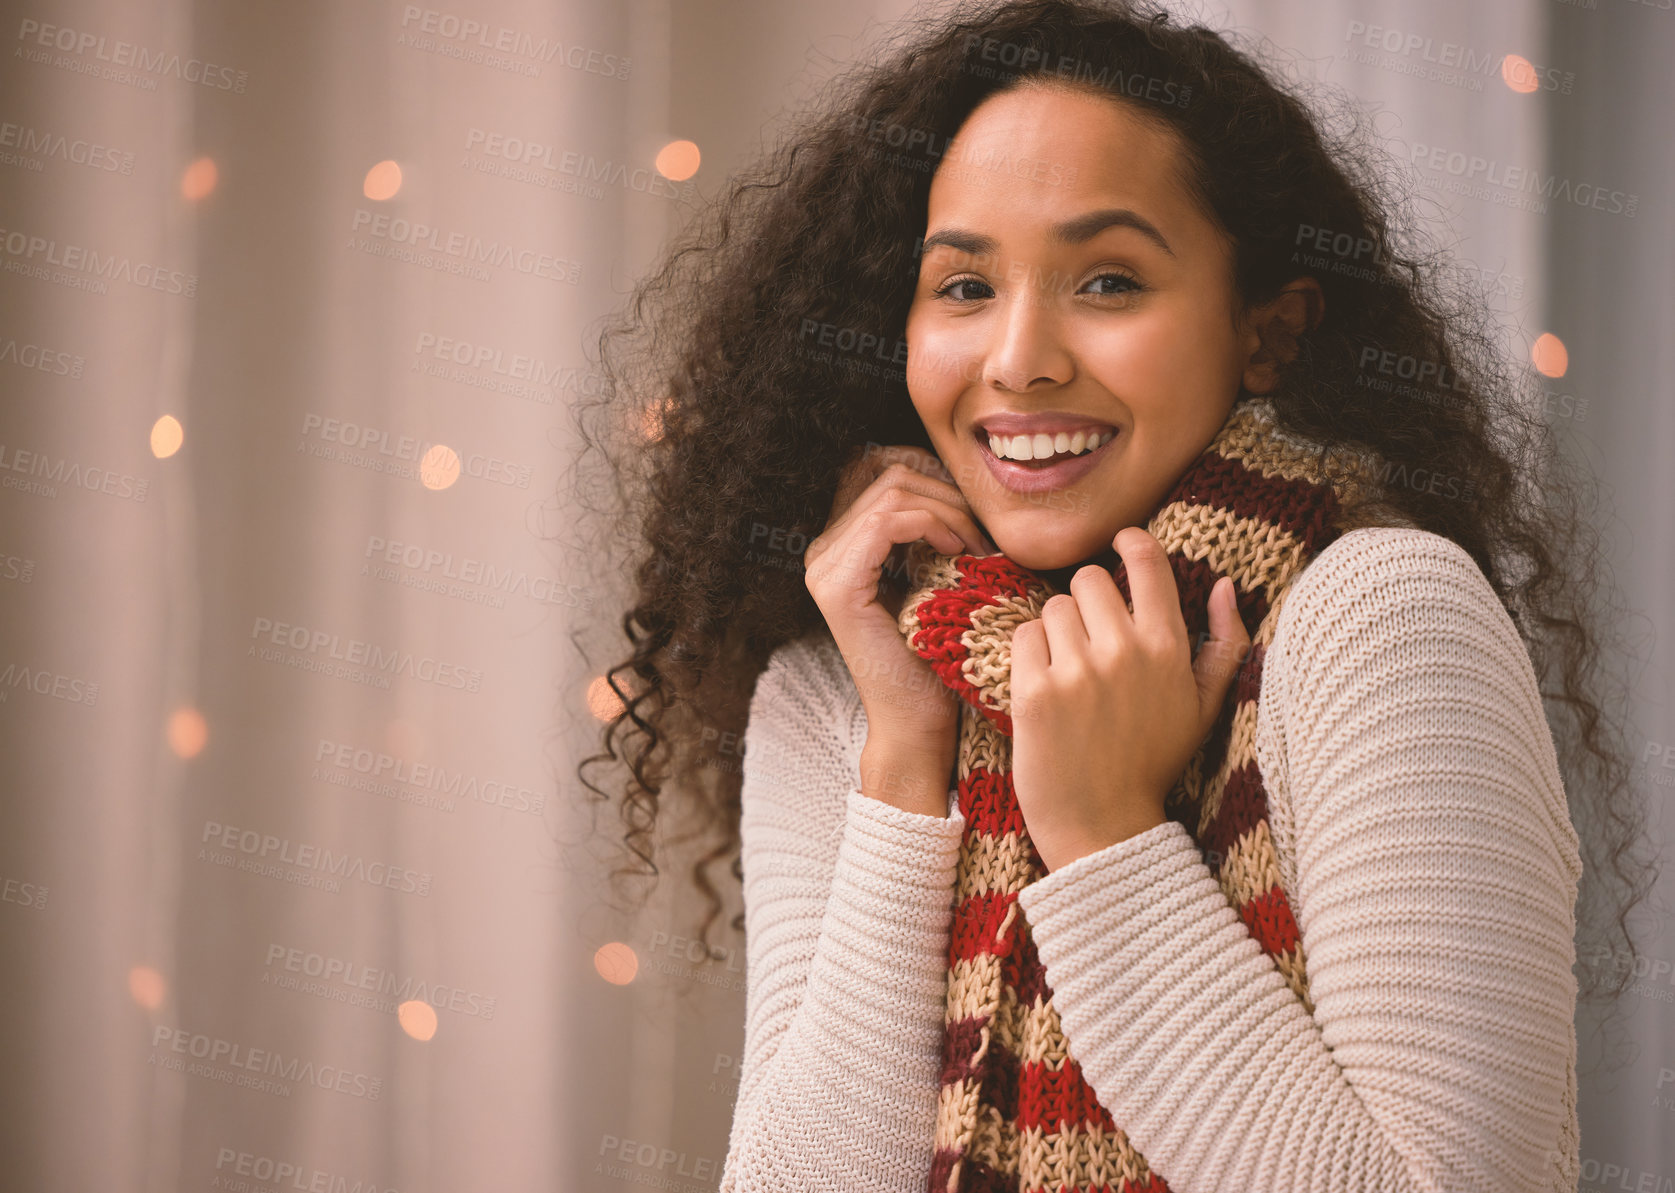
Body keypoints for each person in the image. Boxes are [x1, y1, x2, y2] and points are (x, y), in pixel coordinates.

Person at [568, 2, 1652, 1190]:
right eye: (965, 285)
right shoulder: (847, 678)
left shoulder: (1380, 619)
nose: (1020, 357)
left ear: (1268, 334)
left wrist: (1104, 830)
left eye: (1108, 280)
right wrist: (901, 762)